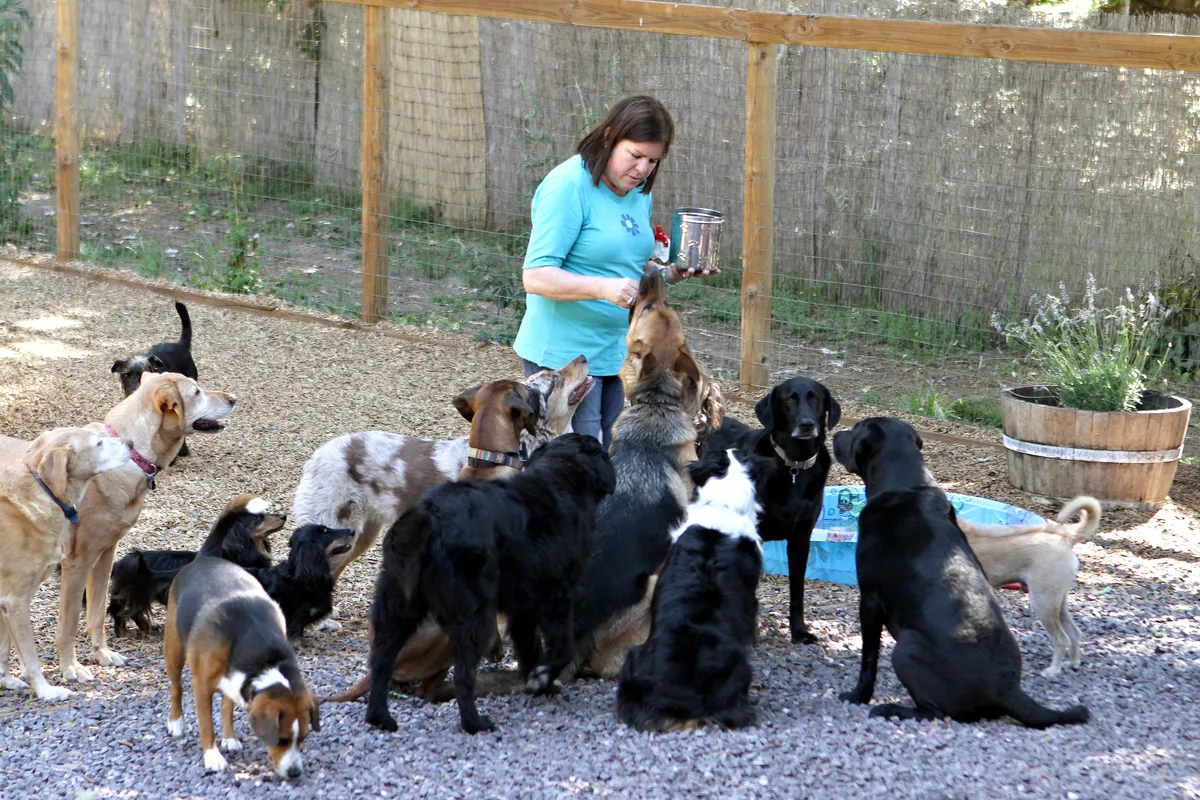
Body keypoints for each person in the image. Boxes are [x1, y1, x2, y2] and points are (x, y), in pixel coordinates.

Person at [512, 95, 719, 449]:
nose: (642, 169)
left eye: (653, 160)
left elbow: (626, 267)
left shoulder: (636, 192)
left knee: (609, 450)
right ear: (609, 136)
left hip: (616, 353)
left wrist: (669, 274)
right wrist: (601, 288)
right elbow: (536, 275)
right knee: (580, 458)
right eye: (635, 155)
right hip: (566, 354)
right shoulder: (567, 187)